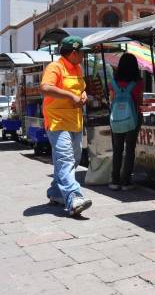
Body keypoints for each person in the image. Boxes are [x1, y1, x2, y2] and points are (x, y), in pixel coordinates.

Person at [40, 36, 92, 216]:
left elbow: (81, 87)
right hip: (57, 121)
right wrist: (70, 96)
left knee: (74, 159)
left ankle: (55, 194)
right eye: (82, 53)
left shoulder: (77, 68)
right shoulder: (55, 67)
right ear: (73, 53)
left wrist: (83, 94)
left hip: (75, 121)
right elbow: (45, 88)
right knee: (66, 159)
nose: (83, 57)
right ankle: (74, 198)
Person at [109, 53, 143, 191]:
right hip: (133, 119)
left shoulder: (113, 82)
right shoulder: (138, 82)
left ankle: (114, 181)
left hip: (116, 119)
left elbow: (111, 100)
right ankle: (126, 181)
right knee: (130, 150)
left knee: (117, 149)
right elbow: (139, 102)